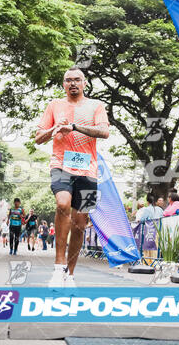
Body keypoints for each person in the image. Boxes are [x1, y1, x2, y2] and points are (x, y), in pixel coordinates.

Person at [35, 66, 109, 287]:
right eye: (68, 80)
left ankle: (70, 274)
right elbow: (38, 138)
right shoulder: (54, 106)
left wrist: (75, 127)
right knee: (62, 203)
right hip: (61, 164)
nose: (73, 83)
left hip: (89, 170)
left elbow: (104, 132)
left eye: (77, 80)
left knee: (79, 223)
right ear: (63, 84)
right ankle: (58, 268)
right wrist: (54, 130)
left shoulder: (96, 106)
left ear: (85, 83)